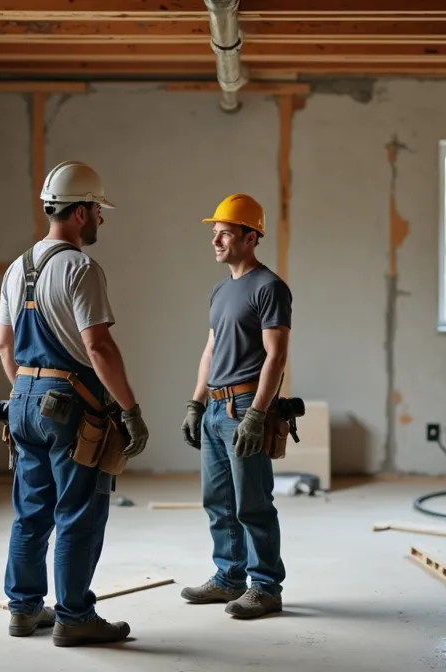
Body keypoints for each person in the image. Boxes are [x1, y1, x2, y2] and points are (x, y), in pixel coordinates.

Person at [0, 160, 149, 647]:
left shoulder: (17, 268)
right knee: (78, 511)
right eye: (98, 211)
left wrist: (28, 390)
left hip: (22, 399)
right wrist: (130, 411)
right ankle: (75, 616)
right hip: (70, 405)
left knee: (31, 510)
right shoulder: (81, 268)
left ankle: (23, 610)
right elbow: (98, 347)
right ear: (80, 212)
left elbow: (4, 344)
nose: (101, 219)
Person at [179, 193, 291, 620]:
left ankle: (265, 587)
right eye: (215, 234)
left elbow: (276, 356)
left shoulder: (269, 287)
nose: (216, 241)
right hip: (215, 408)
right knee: (218, 500)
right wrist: (196, 402)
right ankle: (228, 577)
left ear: (251, 236)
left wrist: (258, 414)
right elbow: (209, 350)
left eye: (225, 233)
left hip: (245, 405)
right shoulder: (220, 290)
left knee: (252, 502)